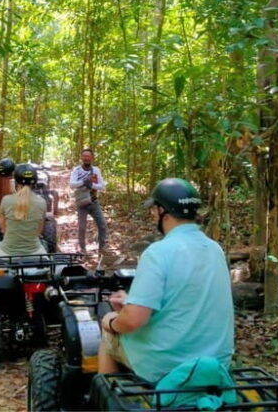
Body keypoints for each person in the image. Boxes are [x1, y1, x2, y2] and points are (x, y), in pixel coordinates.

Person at [98, 178, 234, 383]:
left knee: (108, 334)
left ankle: (109, 397)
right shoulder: (215, 249)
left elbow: (134, 320)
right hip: (216, 361)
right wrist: (132, 301)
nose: (152, 214)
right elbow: (186, 297)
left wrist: (112, 323)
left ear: (162, 212)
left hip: (167, 364)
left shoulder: (158, 252)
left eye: (154, 209)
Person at [0, 163, 47, 280]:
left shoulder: (7, 200)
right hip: (35, 251)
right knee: (49, 269)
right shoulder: (42, 202)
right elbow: (38, 232)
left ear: (16, 181)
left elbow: (2, 226)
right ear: (35, 181)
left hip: (7, 251)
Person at [69, 148, 107, 254]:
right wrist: (84, 182)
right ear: (81, 157)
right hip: (82, 202)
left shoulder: (96, 170)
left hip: (94, 201)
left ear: (92, 158)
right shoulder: (76, 170)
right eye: (84, 156)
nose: (86, 158)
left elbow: (102, 186)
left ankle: (102, 247)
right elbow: (72, 184)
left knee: (102, 224)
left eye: (88, 156)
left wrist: (92, 185)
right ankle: (82, 249)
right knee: (81, 227)